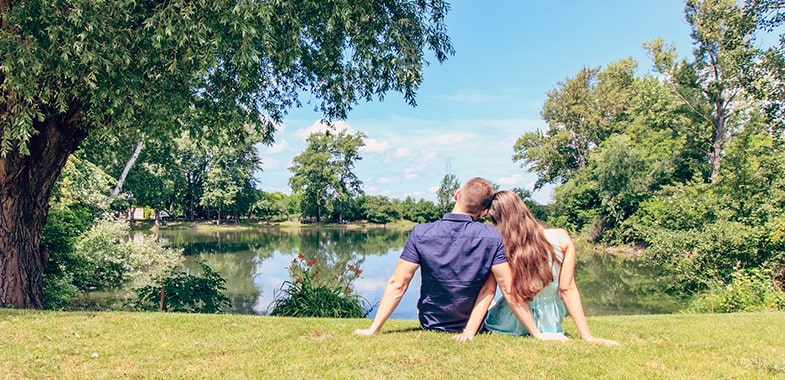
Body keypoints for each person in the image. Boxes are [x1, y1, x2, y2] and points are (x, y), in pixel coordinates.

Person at [453, 190, 618, 345]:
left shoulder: (500, 246)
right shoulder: (561, 238)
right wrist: (587, 336)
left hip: (506, 325)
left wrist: (469, 332)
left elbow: (489, 291)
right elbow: (567, 289)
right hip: (548, 325)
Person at [354, 177, 505, 335]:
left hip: (431, 322)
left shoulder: (421, 233)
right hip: (474, 324)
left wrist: (373, 329)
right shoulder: (493, 237)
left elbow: (398, 284)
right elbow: (490, 290)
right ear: (483, 212)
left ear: (457, 194)